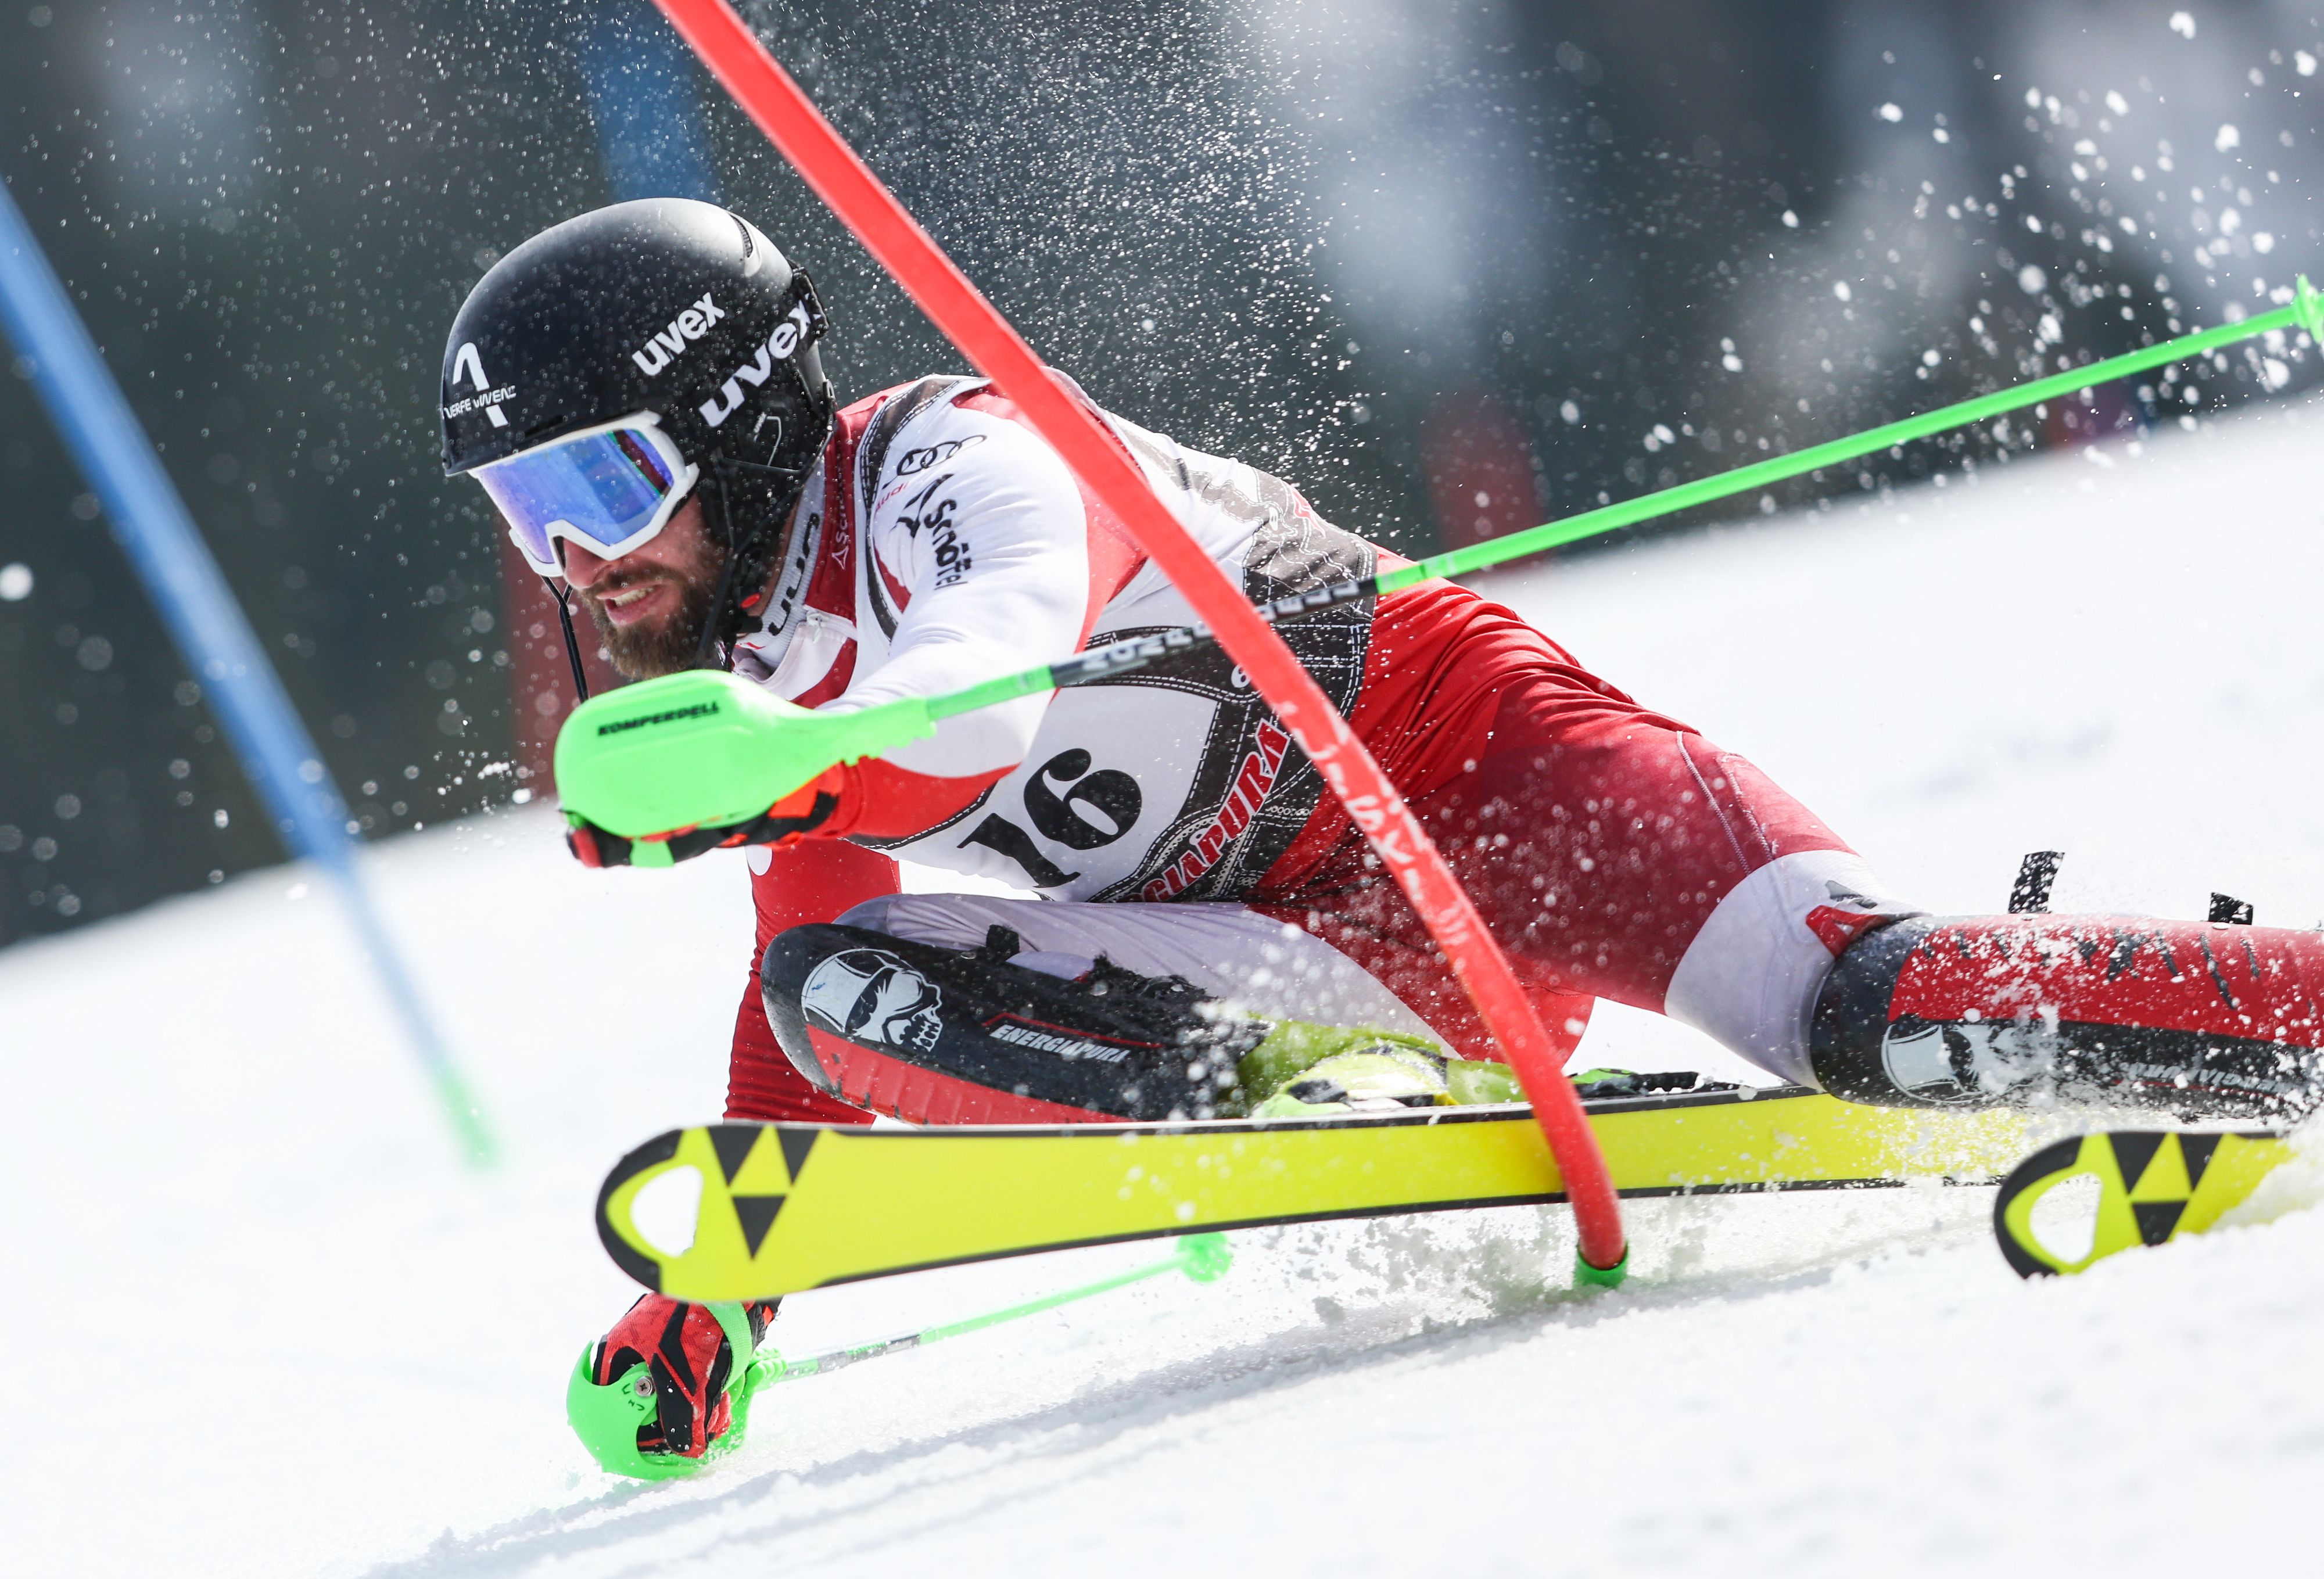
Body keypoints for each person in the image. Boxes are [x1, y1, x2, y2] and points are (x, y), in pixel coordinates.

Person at [442, 198, 2324, 1465]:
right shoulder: (768, 644)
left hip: (1486, 778)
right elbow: (808, 988)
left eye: (607, 481)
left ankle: (2270, 1011)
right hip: (1312, 952)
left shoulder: (954, 459)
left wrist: (762, 763)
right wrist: (722, 1292)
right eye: (529, 514)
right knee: (844, 973)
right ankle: (1338, 1079)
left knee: (1882, 1011)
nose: (582, 562)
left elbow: (981, 704)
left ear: (746, 412)